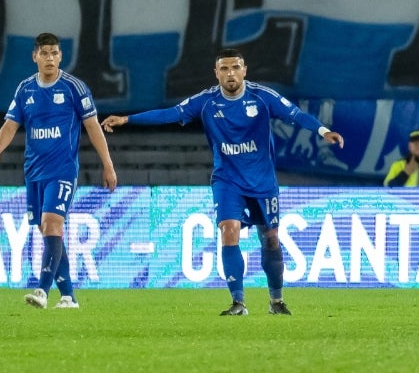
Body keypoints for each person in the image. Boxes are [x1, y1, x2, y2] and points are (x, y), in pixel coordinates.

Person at [103, 49, 345, 315]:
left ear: (244, 70)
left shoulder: (262, 97)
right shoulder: (206, 101)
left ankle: (276, 301)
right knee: (229, 230)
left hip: (262, 181)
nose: (231, 73)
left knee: (270, 238)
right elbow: (170, 113)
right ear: (216, 73)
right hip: (227, 180)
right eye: (224, 69)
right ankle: (238, 302)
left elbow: (296, 115)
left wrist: (323, 131)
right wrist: (127, 119)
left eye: (236, 67)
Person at [0, 32, 119, 311]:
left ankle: (42, 291)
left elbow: (92, 126)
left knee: (52, 225)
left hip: (63, 170)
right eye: (44, 53)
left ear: (60, 57)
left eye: (54, 53)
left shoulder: (74, 88)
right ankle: (69, 297)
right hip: (34, 172)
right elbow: (10, 124)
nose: (50, 58)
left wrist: (108, 164)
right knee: (49, 233)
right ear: (35, 56)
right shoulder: (25, 89)